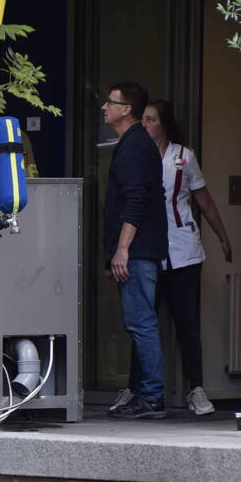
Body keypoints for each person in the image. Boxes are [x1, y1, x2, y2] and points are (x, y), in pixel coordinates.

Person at [137, 99, 233, 415]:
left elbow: (203, 200)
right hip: (148, 250)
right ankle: (135, 390)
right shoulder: (136, 155)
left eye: (150, 120)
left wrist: (221, 236)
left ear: (164, 123)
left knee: (187, 321)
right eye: (143, 119)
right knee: (142, 321)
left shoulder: (183, 157)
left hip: (183, 250)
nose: (144, 125)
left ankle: (196, 389)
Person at [101, 82, 169, 419]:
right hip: (140, 250)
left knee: (141, 323)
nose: (104, 107)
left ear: (126, 109)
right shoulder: (136, 143)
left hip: (138, 252)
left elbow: (136, 200)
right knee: (139, 322)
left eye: (110, 102)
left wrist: (122, 250)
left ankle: (152, 397)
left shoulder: (134, 146)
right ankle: (146, 394)